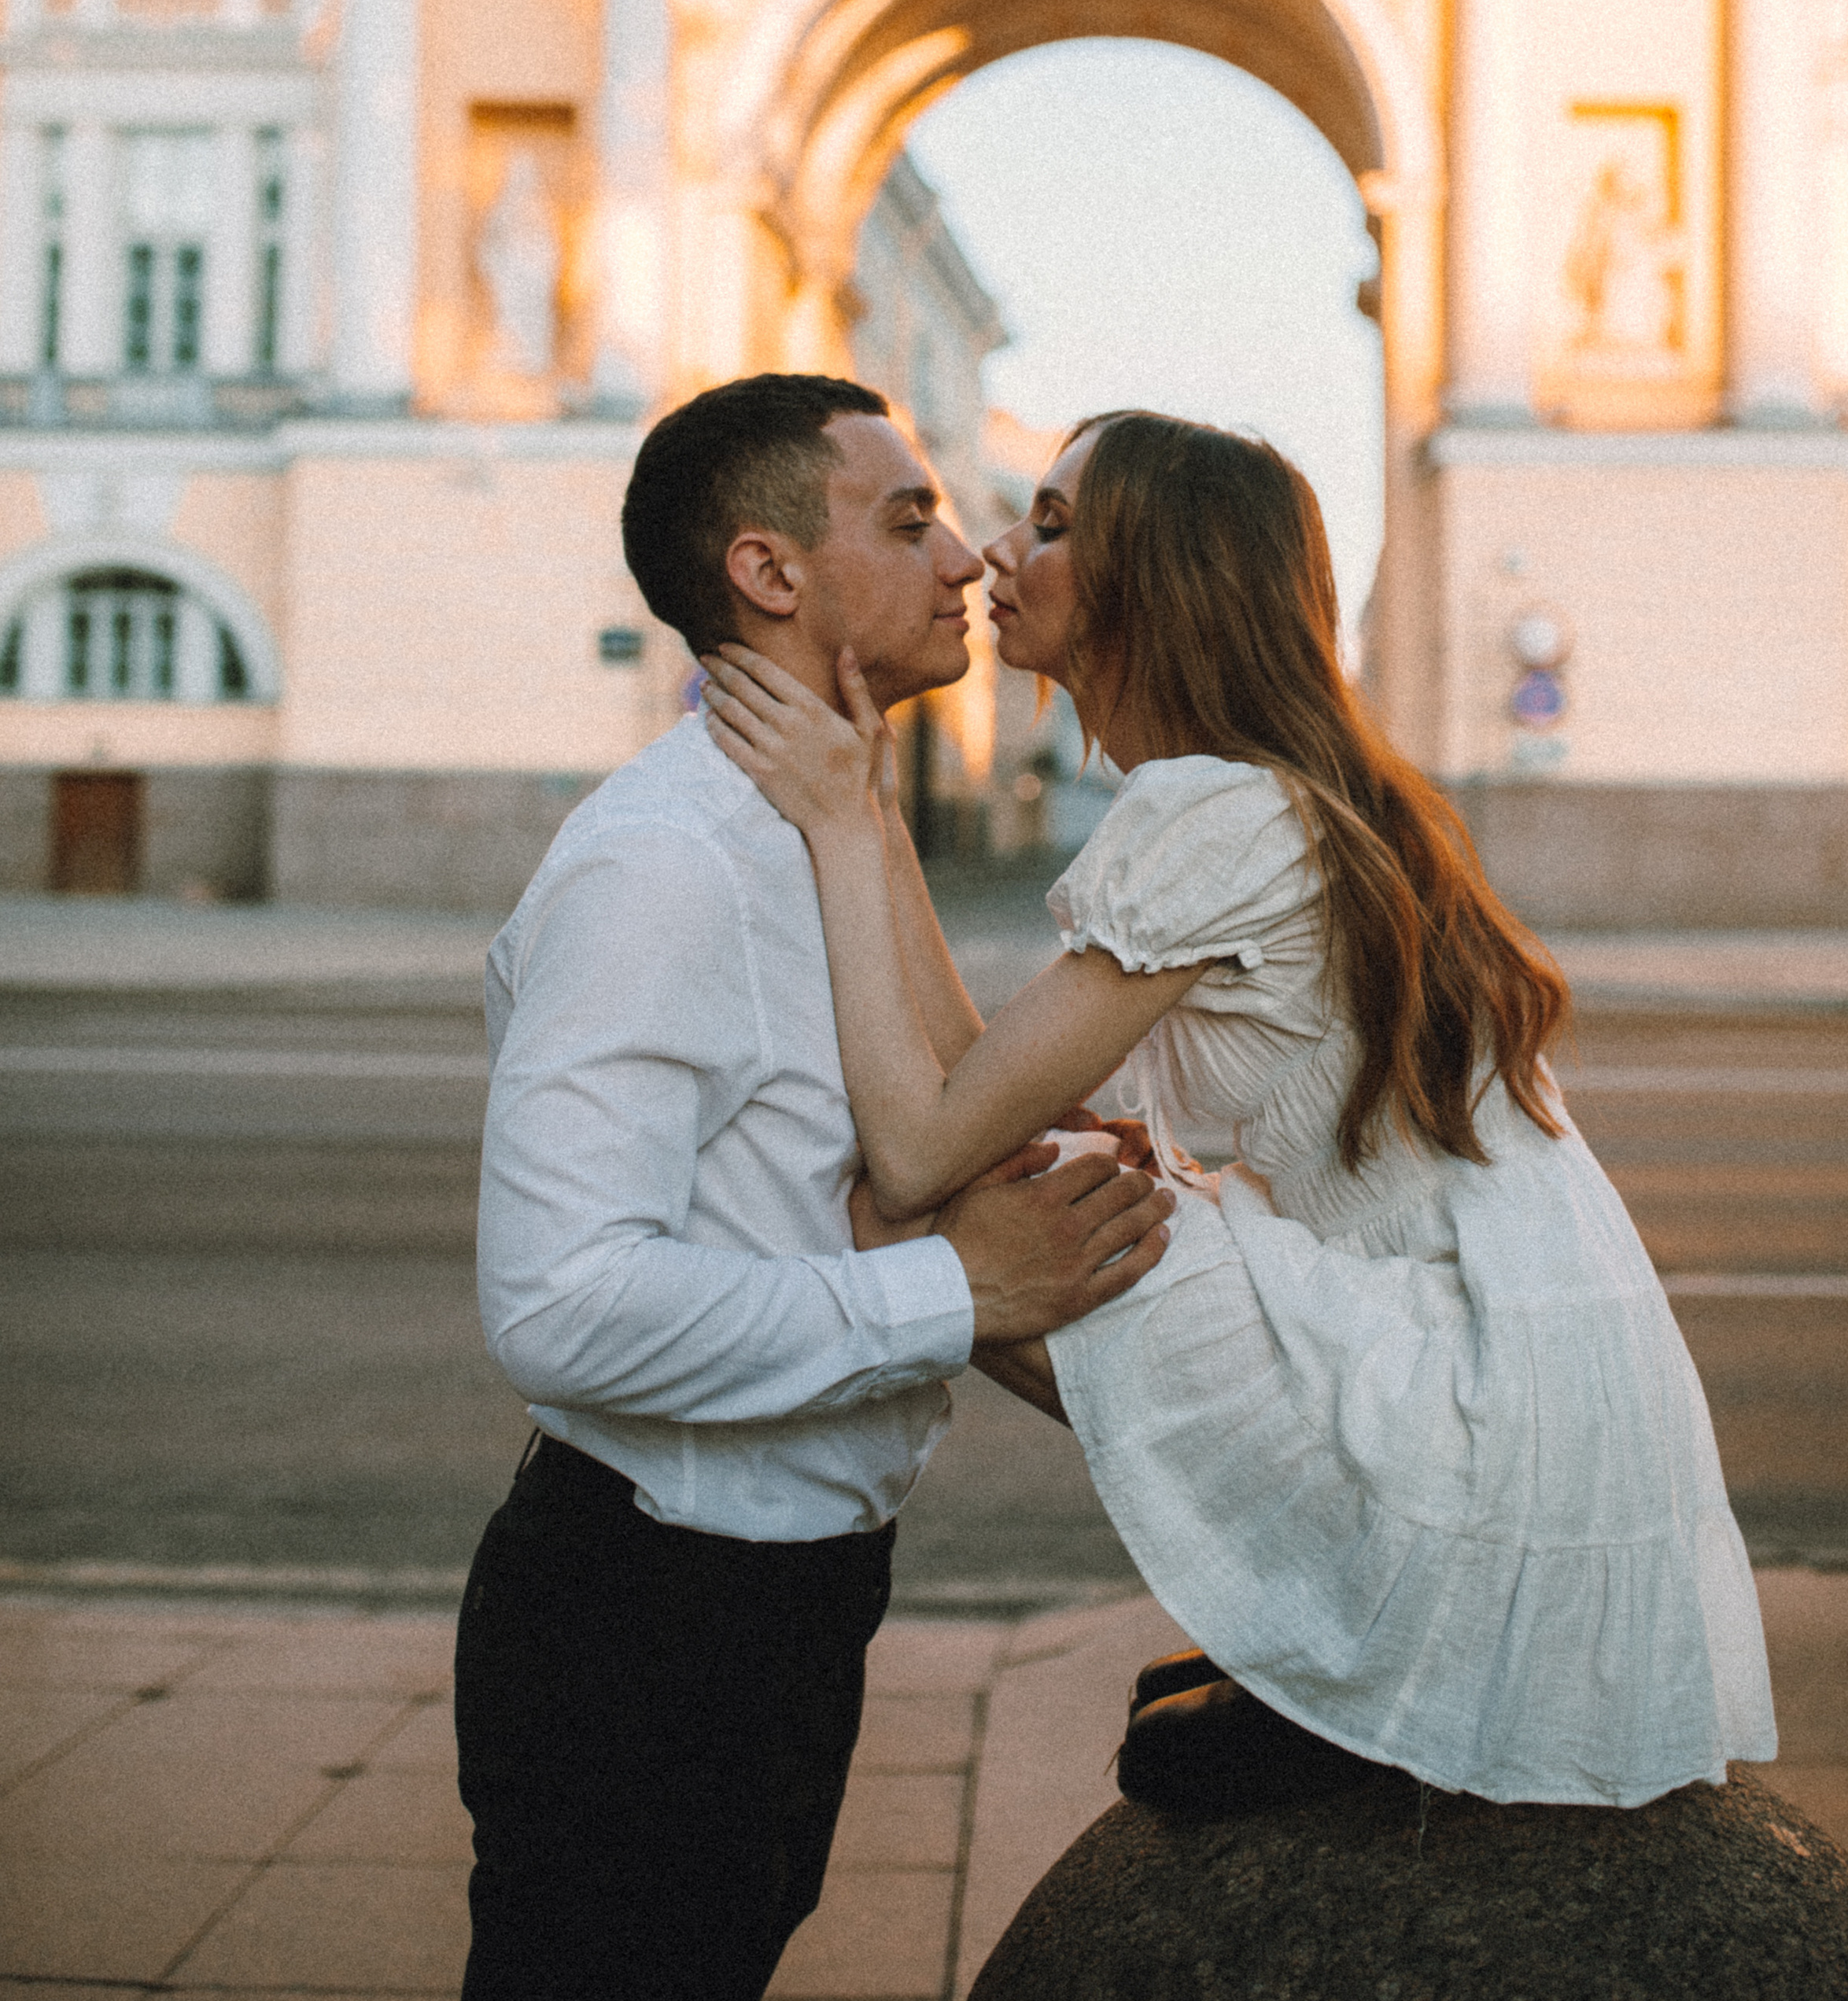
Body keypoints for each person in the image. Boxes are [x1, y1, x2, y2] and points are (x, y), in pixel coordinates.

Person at [703, 409, 1778, 1816]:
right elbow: (988, 1090)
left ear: (1162, 581)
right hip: (1523, 1372)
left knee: (910, 1218)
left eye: (1053, 522)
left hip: (1472, 1401)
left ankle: (1335, 1631)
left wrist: (842, 827)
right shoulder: (1283, 796)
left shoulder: (1215, 815)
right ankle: (1316, 1635)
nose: (992, 554)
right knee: (1023, 1188)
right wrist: (880, 817)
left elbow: (918, 1152)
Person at [436, 374, 1175, 2001]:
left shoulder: (832, 827)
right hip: (645, 1622)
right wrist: (956, 1292)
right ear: (767, 572)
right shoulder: (663, 863)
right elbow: (558, 1300)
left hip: (779, 1604)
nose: (962, 555)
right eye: (905, 519)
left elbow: (924, 1141)